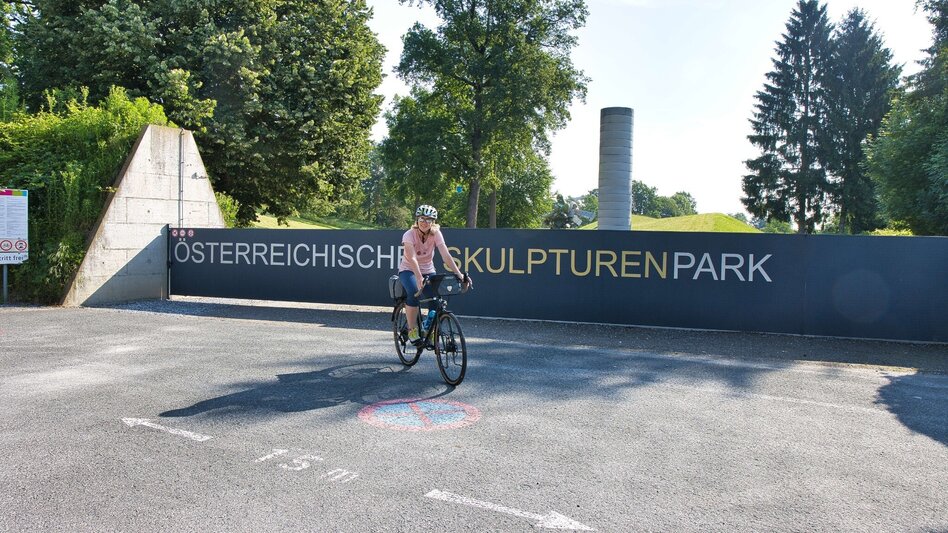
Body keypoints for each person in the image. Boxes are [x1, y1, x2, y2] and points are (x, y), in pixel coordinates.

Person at [398, 204, 471, 345]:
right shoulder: (409, 234)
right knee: (414, 292)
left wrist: (459, 274)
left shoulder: (436, 233)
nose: (425, 222)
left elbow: (446, 255)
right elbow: (412, 258)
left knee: (435, 300)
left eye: (429, 219)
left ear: (433, 222)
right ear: (417, 220)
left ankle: (430, 331)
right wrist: (418, 276)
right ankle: (412, 329)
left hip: (429, 270)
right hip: (409, 270)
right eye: (422, 219)